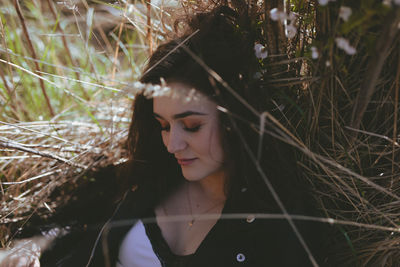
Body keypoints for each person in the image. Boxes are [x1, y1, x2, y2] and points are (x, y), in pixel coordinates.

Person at [2, 5, 327, 267]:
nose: (173, 145)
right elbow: (68, 222)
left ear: (236, 120)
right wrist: (33, 248)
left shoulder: (279, 224)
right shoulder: (148, 176)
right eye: (163, 125)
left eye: (192, 126)